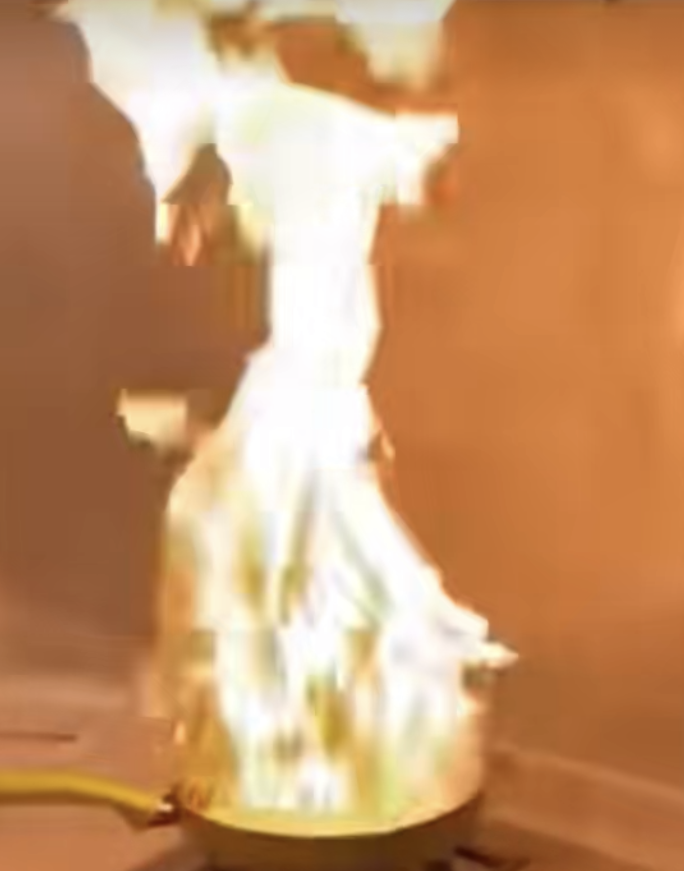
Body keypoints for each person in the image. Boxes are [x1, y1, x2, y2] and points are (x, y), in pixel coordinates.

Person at [57, 0, 511, 826]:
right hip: (271, 386)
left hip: (299, 380)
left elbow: (418, 161)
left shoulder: (319, 137)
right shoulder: (245, 130)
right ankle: (263, 759)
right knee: (226, 521)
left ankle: (327, 759)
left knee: (279, 511)